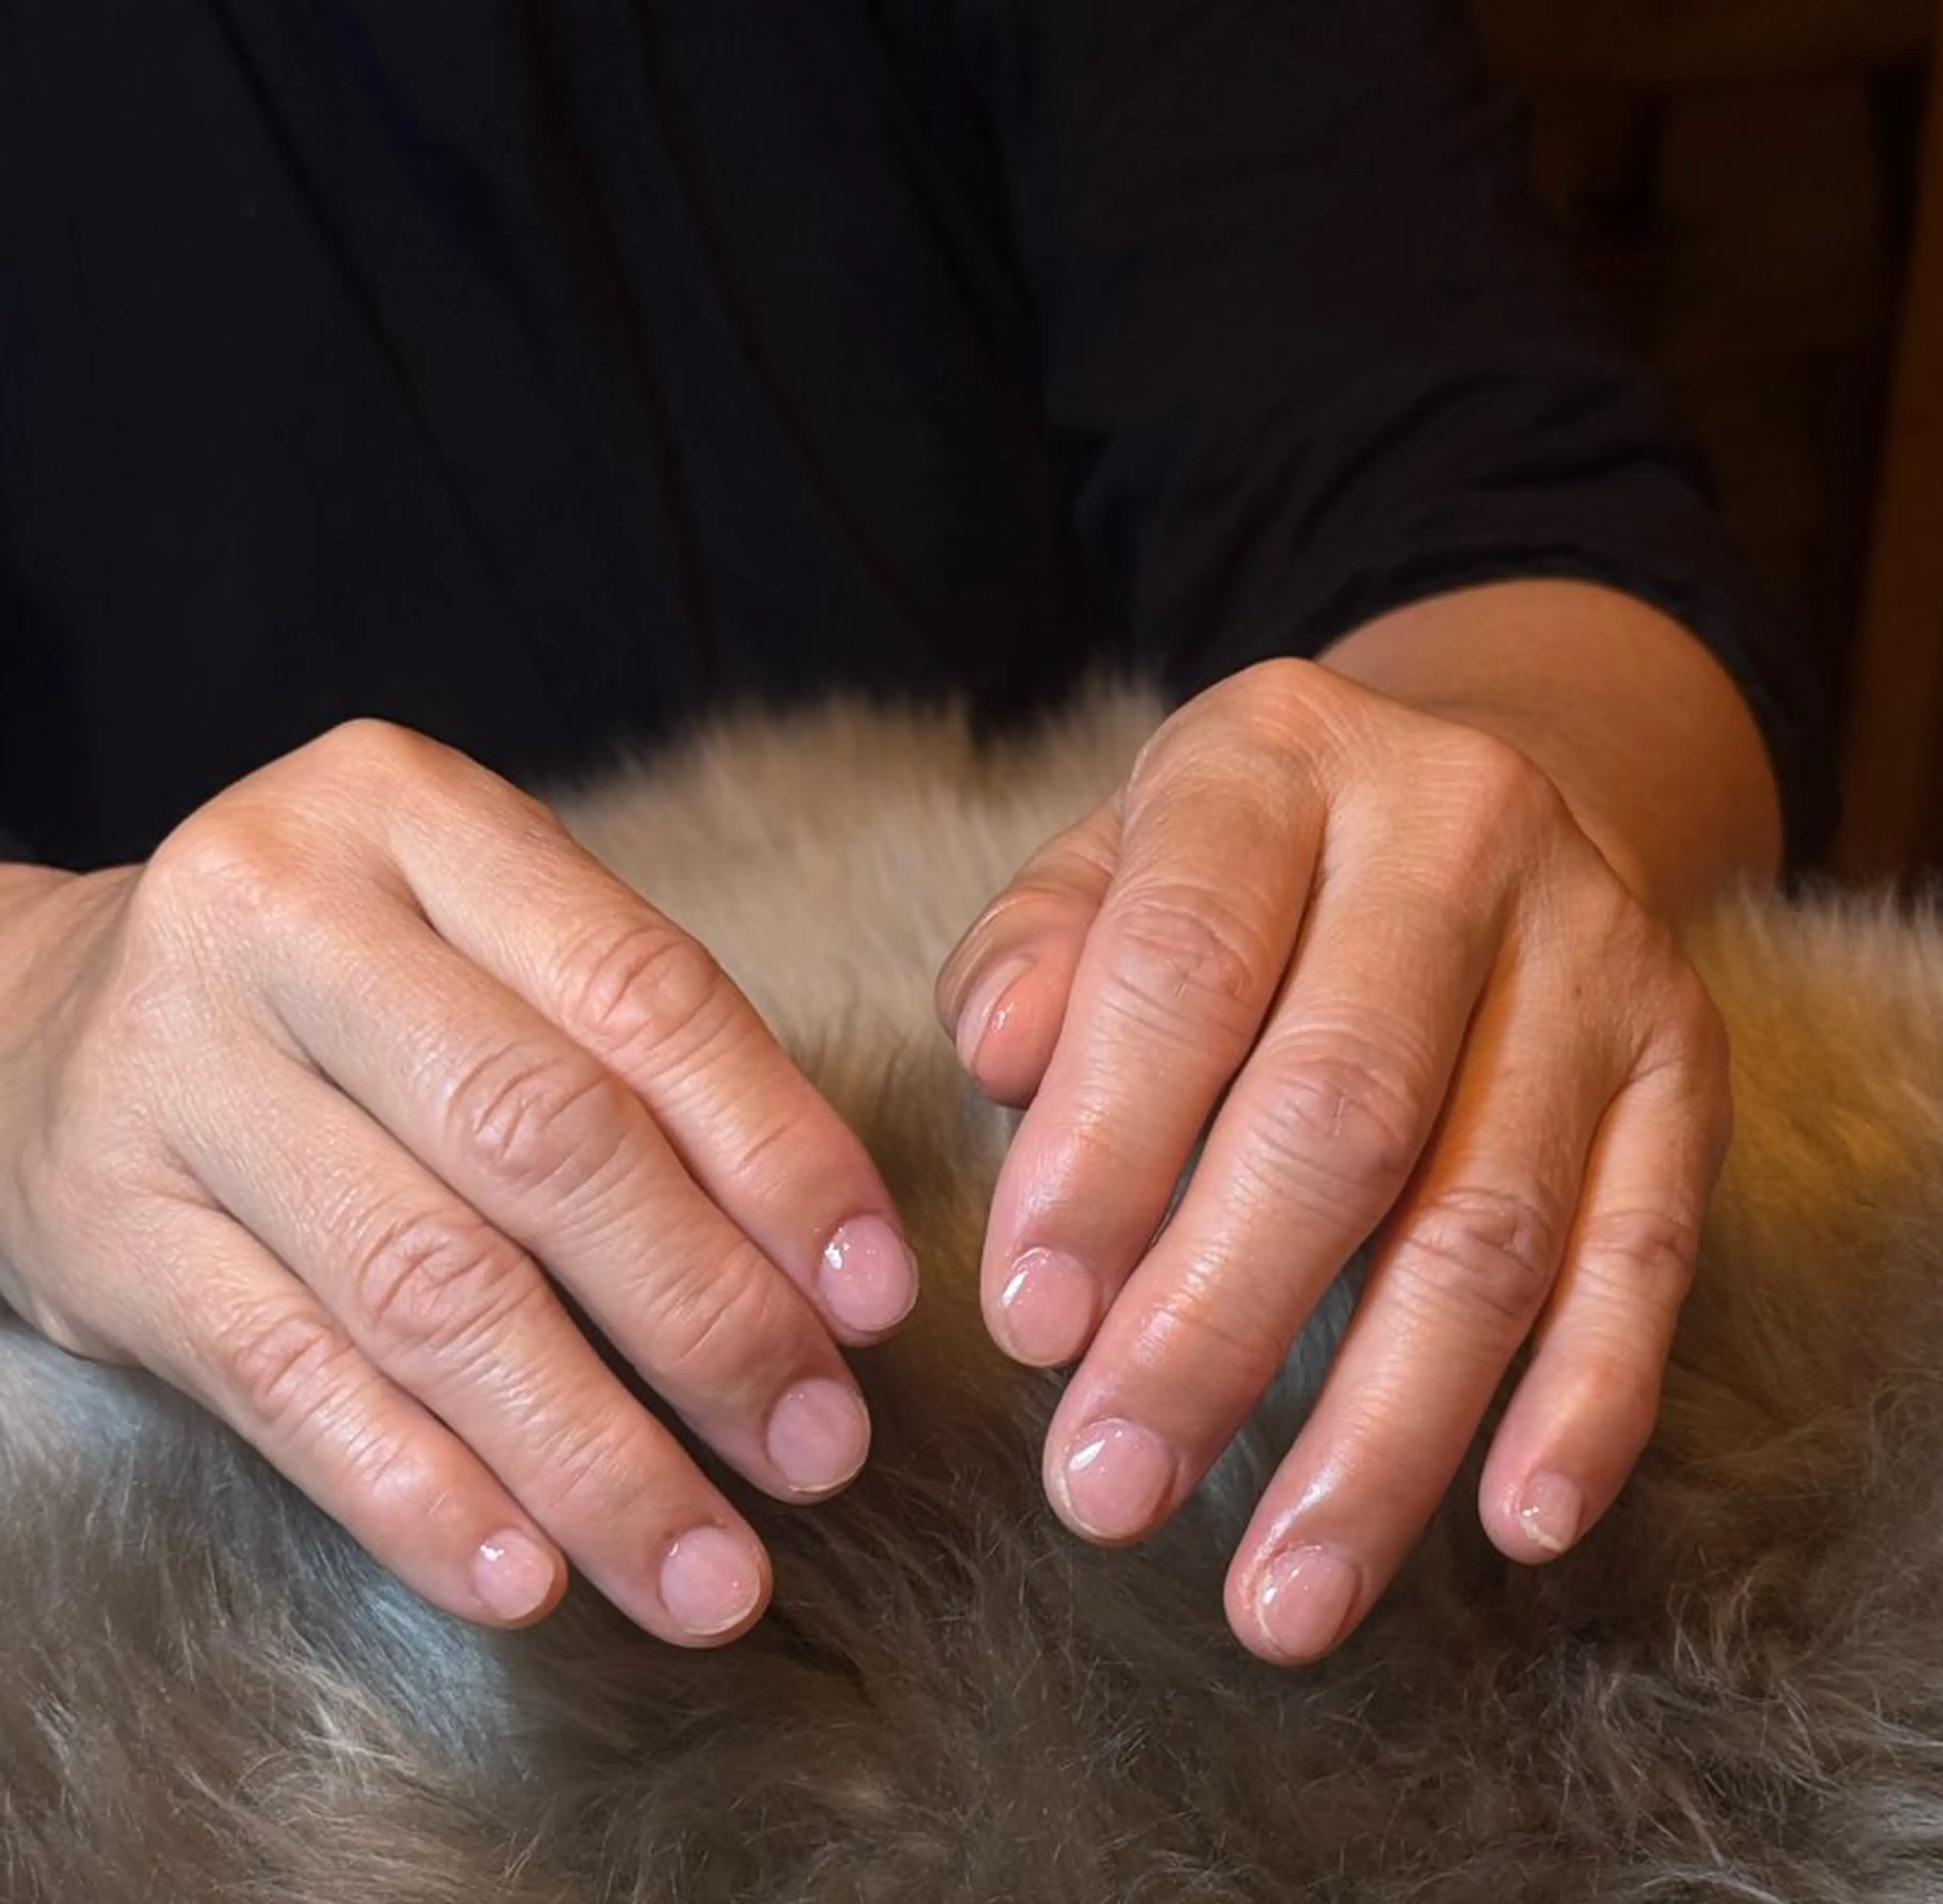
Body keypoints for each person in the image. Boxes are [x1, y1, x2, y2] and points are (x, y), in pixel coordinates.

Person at [0, 0, 1827, 1666]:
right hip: (208, 1498)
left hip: (1086, 1383)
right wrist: (35, 1004)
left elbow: (1513, 509)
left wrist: (1483, 797)